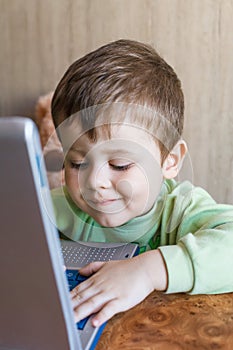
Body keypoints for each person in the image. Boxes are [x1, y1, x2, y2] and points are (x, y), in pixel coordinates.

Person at [50, 39, 233, 328]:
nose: (94, 182)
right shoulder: (63, 207)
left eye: (119, 165)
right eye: (77, 163)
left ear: (169, 161)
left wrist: (149, 270)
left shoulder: (181, 210)